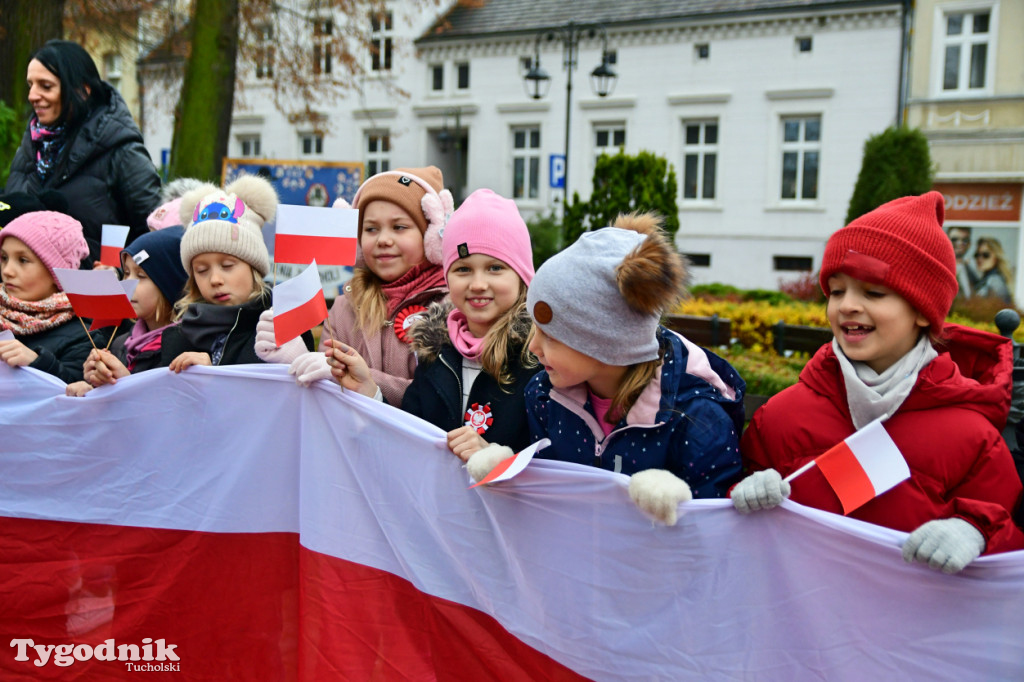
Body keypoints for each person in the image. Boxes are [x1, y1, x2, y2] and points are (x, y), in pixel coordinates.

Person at [732, 191, 1024, 574]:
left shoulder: (974, 438)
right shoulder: (781, 416)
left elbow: (1007, 541)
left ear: (922, 311)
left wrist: (975, 533)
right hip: (801, 627)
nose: (847, 305)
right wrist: (745, 492)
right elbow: (731, 525)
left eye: (873, 292)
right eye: (836, 291)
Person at [466, 212, 746, 527]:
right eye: (535, 328)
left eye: (552, 335)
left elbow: (719, 529)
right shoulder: (544, 395)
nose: (533, 347)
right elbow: (551, 489)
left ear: (605, 342)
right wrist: (512, 472)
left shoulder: (696, 418)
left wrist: (683, 506)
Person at [259, 167, 452, 404]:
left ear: (431, 235)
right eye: (371, 229)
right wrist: (298, 358)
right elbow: (327, 402)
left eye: (399, 227)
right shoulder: (343, 308)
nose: (383, 240)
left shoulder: (452, 308)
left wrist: (366, 380)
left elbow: (444, 400)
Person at [400, 189, 540, 459]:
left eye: (495, 268)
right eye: (463, 269)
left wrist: (496, 458)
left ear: (522, 275)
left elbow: (558, 461)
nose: (478, 284)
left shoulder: (539, 358)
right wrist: (370, 394)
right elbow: (408, 434)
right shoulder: (434, 352)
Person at [6, 40, 161, 264]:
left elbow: (155, 236)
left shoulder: (122, 150)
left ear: (82, 90)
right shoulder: (31, 146)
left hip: (94, 295)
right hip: (24, 294)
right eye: (30, 84)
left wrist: (119, 273)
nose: (32, 95)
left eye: (45, 86)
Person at [158, 175, 312, 371]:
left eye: (228, 265)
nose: (215, 280)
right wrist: (122, 379)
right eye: (202, 270)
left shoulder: (283, 327)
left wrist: (214, 373)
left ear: (253, 267)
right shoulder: (180, 334)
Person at [65, 226, 188, 396]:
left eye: (141, 276)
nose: (127, 285)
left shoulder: (186, 345)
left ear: (171, 282)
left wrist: (125, 380)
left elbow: (171, 406)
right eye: (127, 273)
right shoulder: (121, 343)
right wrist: (94, 384)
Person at [0, 210, 94, 383]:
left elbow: (76, 397)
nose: (7, 271)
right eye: (4, 258)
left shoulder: (84, 336)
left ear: (55, 273)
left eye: (23, 260)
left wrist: (37, 363)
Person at [972, 236, 1013, 304]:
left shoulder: (995, 281)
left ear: (996, 257)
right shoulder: (986, 279)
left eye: (986, 255)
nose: (979, 259)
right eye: (977, 255)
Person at [946, 225, 977, 300]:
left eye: (964, 240)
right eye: (954, 239)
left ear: (969, 244)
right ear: (946, 240)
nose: (959, 243)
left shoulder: (972, 271)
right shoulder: (940, 268)